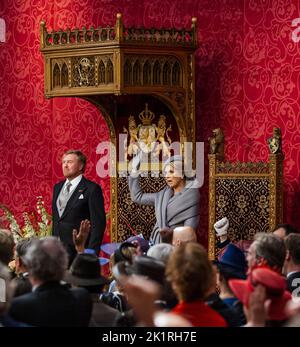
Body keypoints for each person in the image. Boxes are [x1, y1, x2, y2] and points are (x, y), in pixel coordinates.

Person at [128, 154, 200, 244]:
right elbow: (137, 197)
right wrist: (135, 170)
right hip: (156, 243)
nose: (167, 176)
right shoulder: (161, 196)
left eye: (171, 172)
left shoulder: (192, 198)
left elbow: (188, 235)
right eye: (165, 173)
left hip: (176, 247)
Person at [52, 150, 106, 263]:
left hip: (79, 252)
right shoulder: (57, 187)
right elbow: (57, 220)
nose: (65, 165)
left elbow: (98, 225)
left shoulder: (91, 189)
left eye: (70, 162)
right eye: (63, 162)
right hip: (58, 252)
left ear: (81, 165)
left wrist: (90, 255)